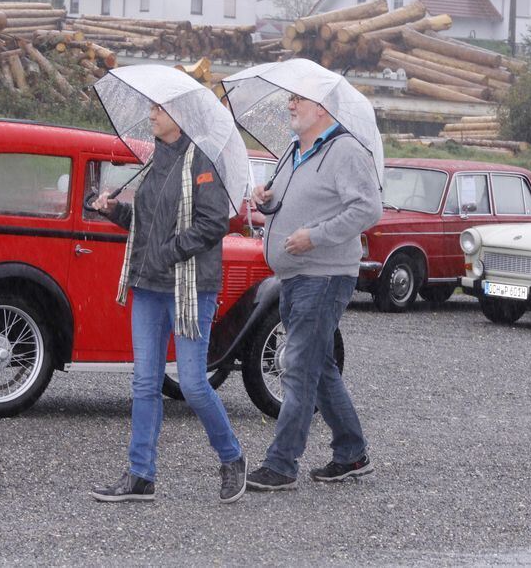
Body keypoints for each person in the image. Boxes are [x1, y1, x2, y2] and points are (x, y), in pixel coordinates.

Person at [90, 102, 247, 504]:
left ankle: (232, 457)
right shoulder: (154, 160)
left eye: (160, 109)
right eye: (152, 108)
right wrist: (114, 211)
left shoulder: (203, 161)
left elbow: (213, 225)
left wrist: (169, 252)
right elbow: (145, 222)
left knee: (194, 384)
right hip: (148, 286)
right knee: (145, 383)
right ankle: (141, 475)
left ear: (183, 116)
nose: (152, 115)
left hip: (191, 286)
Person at [245, 92, 383, 491]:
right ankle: (351, 453)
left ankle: (282, 464)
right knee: (319, 367)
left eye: (297, 100)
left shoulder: (346, 151)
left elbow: (367, 209)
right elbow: (291, 201)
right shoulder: (294, 149)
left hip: (323, 276)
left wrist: (316, 237)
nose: (289, 106)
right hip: (294, 275)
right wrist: (264, 199)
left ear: (321, 108)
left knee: (299, 367)